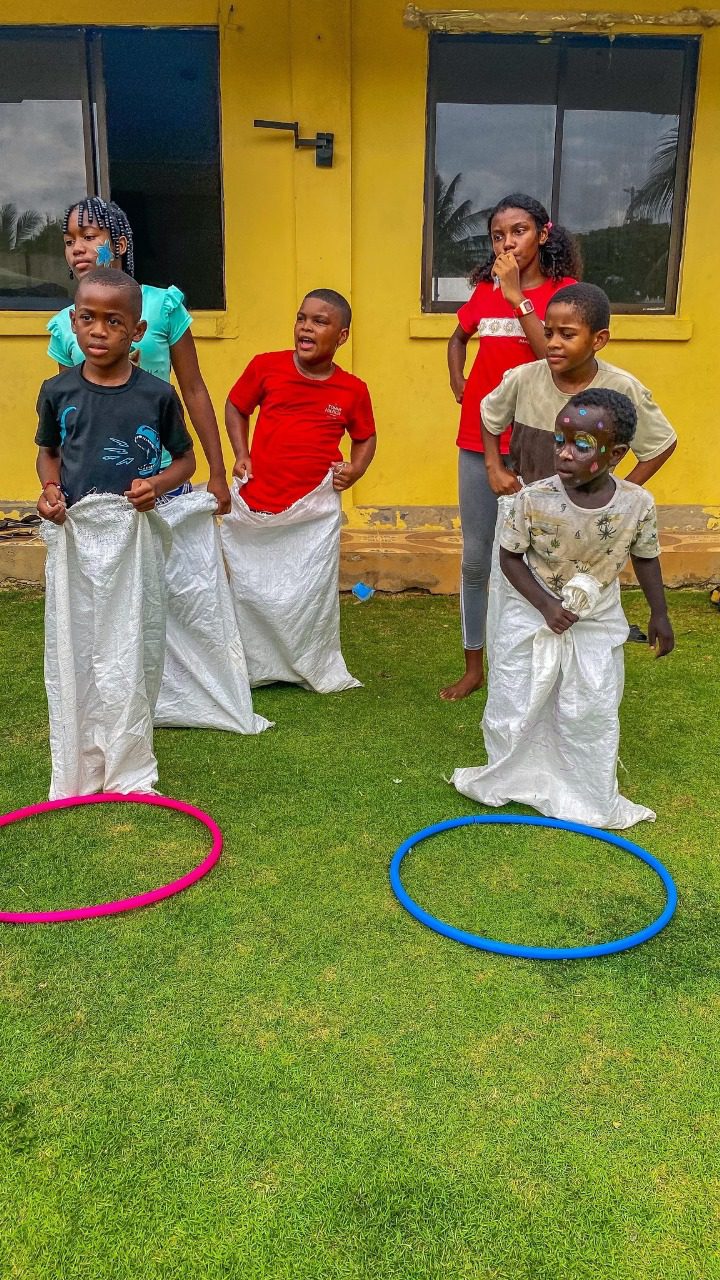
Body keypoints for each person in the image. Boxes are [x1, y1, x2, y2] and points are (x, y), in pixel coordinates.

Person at [452, 388, 674, 829]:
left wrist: (660, 613)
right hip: (530, 606)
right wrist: (546, 606)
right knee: (518, 693)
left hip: (596, 614)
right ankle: (515, 772)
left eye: (582, 445)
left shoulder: (637, 504)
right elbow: (509, 559)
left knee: (590, 700)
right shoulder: (532, 499)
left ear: (617, 454)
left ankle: (579, 782)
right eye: (559, 441)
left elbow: (646, 557)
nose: (564, 453)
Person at [36, 268, 195, 796]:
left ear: (137, 330)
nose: (98, 331)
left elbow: (185, 461)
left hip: (132, 541)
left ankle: (128, 755)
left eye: (113, 321)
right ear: (73, 321)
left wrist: (157, 485)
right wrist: (50, 489)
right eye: (87, 318)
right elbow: (49, 453)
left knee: (130, 641)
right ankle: (81, 748)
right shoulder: (57, 390)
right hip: (77, 539)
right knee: (78, 642)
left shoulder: (156, 395)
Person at [441, 193, 580, 701]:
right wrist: (459, 382)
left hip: (538, 442)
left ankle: (534, 663)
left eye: (518, 231)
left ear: (543, 234)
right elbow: (457, 338)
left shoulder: (567, 293)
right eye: (498, 235)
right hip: (478, 441)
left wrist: (518, 296)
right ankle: (474, 665)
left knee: (539, 555)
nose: (507, 243)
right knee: (476, 559)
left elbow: (554, 362)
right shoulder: (484, 291)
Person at [221, 289, 376, 692]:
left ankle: (306, 660)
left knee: (307, 592)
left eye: (320, 322)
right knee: (251, 589)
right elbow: (236, 406)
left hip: (312, 513)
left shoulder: (353, 390)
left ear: (342, 336)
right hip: (259, 505)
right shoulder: (266, 367)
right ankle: (254, 664)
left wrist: (356, 469)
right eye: (302, 318)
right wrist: (241, 453)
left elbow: (365, 437)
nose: (306, 327)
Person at [47, 196, 230, 513]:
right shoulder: (66, 324)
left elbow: (193, 389)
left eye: (89, 236)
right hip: (89, 485)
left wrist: (218, 472)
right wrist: (55, 486)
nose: (77, 248)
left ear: (118, 245)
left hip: (161, 476)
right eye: (69, 241)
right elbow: (66, 413)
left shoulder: (162, 307)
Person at [480, 282, 677, 490]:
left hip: (589, 508)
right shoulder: (524, 378)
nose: (553, 343)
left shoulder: (622, 387)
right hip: (528, 501)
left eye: (567, 335)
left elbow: (660, 444)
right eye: (549, 334)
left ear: (598, 340)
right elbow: (490, 415)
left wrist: (621, 494)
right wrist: (494, 467)